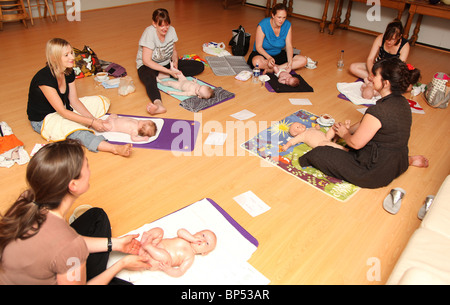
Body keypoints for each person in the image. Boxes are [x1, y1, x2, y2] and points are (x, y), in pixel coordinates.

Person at [0, 140, 151, 285]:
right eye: (87, 165)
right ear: (73, 184)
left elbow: (63, 245)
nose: (90, 170)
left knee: (97, 217)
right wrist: (121, 264)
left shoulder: (27, 199)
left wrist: (115, 244)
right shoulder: (70, 246)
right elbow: (68, 246)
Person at [298, 58, 428, 189]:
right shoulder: (403, 102)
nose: (371, 78)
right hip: (397, 163)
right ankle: (408, 160)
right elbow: (364, 124)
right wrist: (345, 128)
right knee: (347, 144)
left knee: (318, 153)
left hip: (374, 172)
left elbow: (355, 143)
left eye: (375, 75)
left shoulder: (379, 110)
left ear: (386, 83)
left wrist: (345, 134)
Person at [26, 38, 132, 157]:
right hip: (45, 119)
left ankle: (85, 122)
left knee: (100, 101)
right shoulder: (44, 78)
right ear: (54, 58)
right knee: (76, 131)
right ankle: (114, 148)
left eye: (71, 53)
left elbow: (74, 101)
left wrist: (93, 120)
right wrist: (91, 121)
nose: (72, 57)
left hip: (64, 108)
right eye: (66, 55)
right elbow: (62, 112)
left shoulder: (68, 71)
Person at [137, 8, 205, 115]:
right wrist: (169, 72)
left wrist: (175, 65)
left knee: (199, 66)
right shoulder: (149, 33)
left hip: (166, 63)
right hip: (149, 66)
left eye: (167, 25)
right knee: (149, 79)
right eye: (162, 26)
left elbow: (173, 50)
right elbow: (146, 61)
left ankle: (162, 75)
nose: (165, 28)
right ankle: (158, 104)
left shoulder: (171, 30)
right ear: (154, 24)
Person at [349, 20, 410, 99]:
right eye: (387, 38)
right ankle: (377, 84)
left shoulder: (405, 46)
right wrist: (372, 72)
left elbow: (398, 69)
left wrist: (379, 77)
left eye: (393, 39)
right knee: (353, 67)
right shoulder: (381, 38)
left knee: (407, 87)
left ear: (399, 36)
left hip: (390, 73)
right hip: (377, 68)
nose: (388, 41)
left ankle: (374, 83)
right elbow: (370, 59)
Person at [247, 3, 307, 74]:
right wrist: (269, 58)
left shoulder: (287, 25)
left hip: (278, 54)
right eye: (279, 17)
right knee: (257, 62)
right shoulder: (263, 25)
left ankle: (276, 68)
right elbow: (258, 47)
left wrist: (290, 63)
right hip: (263, 54)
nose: (281, 20)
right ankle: (281, 68)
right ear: (273, 15)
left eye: (284, 17)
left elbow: (289, 46)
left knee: (304, 60)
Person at [138, 227, 217, 277]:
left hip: (156, 260)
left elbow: (180, 271)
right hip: (154, 245)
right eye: (203, 235)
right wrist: (192, 239)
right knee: (159, 231)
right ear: (196, 233)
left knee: (166, 257)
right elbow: (180, 231)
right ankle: (145, 242)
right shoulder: (185, 238)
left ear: (204, 253)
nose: (203, 240)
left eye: (207, 243)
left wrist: (168, 269)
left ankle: (146, 246)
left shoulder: (190, 257)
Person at [282, 121, 350, 152]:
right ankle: (344, 149)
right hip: (321, 144)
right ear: (295, 134)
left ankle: (345, 128)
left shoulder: (310, 129)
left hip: (326, 136)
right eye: (298, 127)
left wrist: (317, 127)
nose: (301, 125)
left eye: (300, 124)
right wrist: (286, 146)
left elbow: (316, 129)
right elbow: (292, 141)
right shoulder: (301, 136)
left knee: (333, 127)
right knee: (331, 144)